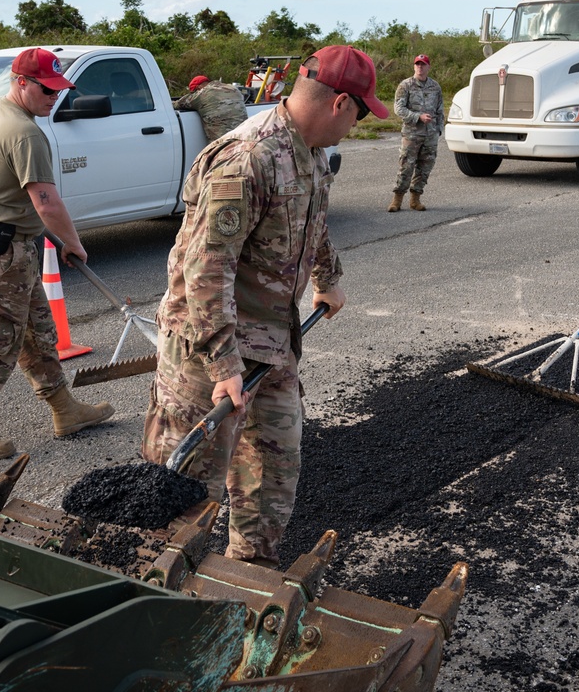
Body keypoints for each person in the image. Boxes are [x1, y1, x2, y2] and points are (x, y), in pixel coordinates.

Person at [142, 45, 388, 567]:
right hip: (207, 352)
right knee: (184, 495)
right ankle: (158, 594)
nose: (358, 124)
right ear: (340, 103)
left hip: (272, 344)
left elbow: (313, 222)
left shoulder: (313, 152)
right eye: (361, 112)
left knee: (271, 475)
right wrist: (225, 364)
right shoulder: (248, 158)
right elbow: (206, 270)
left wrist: (327, 278)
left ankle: (246, 581)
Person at [0, 47, 114, 461]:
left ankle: (65, 409)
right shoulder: (26, 134)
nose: (54, 97)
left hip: (1, 244)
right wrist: (73, 243)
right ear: (21, 82)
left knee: (38, 330)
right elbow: (47, 203)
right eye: (47, 89)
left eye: (59, 89)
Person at [390, 54, 444, 212]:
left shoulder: (435, 87)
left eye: (423, 64)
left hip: (430, 135)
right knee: (406, 166)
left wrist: (439, 129)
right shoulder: (405, 85)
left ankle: (415, 199)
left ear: (428, 67)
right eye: (417, 64)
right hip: (412, 134)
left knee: (425, 167)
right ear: (414, 67)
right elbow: (398, 108)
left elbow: (440, 110)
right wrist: (417, 117)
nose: (420, 67)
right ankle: (397, 200)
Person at [173, 75, 249, 142]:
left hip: (223, 144)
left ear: (198, 87)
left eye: (193, 92)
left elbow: (176, 105)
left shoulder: (201, 94)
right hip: (245, 138)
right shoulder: (233, 88)